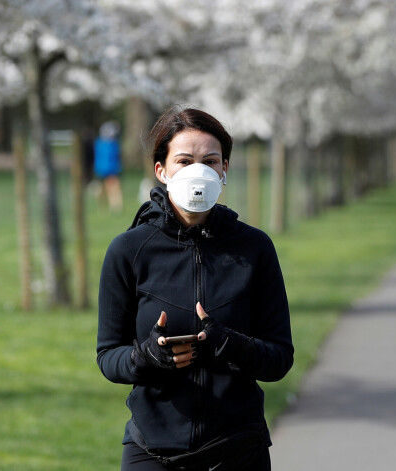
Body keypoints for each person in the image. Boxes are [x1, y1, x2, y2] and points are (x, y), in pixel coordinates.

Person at [96, 107, 294, 470]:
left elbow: (280, 357)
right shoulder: (128, 250)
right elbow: (108, 356)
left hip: (239, 448)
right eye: (184, 160)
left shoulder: (255, 248)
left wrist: (232, 345)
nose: (198, 171)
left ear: (224, 170)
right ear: (162, 170)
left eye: (210, 160)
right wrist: (145, 359)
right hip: (152, 450)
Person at [94, 120, 124, 212]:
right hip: (103, 170)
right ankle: (104, 206)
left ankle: (116, 206)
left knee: (113, 187)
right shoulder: (101, 144)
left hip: (111, 170)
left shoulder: (113, 143)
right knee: (102, 189)